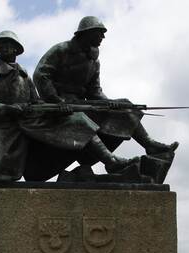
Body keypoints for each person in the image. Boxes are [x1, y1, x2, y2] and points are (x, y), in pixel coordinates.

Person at [0, 30, 132, 209]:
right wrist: (8, 109)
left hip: (31, 122)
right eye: (1, 46)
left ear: (17, 50)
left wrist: (57, 106)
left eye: (9, 45)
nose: (5, 49)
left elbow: (35, 101)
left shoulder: (23, 74)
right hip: (6, 128)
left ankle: (110, 161)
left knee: (78, 121)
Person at [33, 16, 179, 161]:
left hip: (80, 104)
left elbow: (94, 91)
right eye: (99, 32)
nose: (103, 36)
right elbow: (41, 75)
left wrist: (108, 103)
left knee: (124, 105)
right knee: (80, 119)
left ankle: (148, 143)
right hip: (58, 106)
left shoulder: (94, 61)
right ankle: (110, 161)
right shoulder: (61, 50)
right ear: (87, 32)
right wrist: (56, 100)